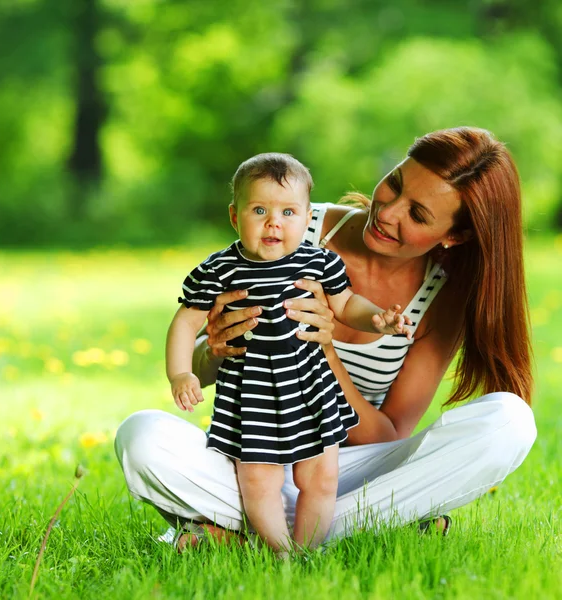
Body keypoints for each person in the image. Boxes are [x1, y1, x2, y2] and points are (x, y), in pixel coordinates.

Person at [115, 127, 537, 551]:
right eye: (394, 183)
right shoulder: (284, 219)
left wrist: (327, 351)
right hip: (255, 449)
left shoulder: (441, 296)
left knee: (509, 423)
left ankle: (252, 533)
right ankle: (369, 526)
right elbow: (201, 355)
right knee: (143, 436)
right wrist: (215, 349)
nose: (388, 212)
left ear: (455, 235)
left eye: (418, 215)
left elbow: (388, 437)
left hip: (340, 463)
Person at [166, 153, 412, 556]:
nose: (273, 222)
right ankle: (280, 552)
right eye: (259, 209)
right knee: (257, 482)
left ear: (305, 216)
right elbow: (185, 322)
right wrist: (181, 374)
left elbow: (347, 304)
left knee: (321, 477)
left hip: (310, 388)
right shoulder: (220, 269)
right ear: (234, 216)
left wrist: (378, 320)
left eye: (288, 211)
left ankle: (307, 549)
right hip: (252, 395)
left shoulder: (318, 263)